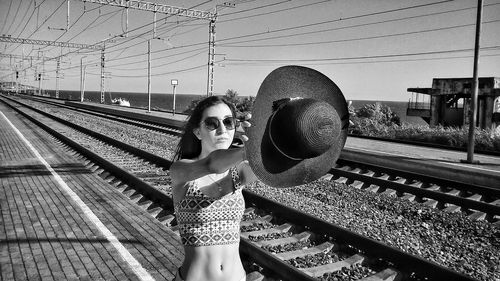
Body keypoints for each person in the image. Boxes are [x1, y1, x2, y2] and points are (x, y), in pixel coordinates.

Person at [170, 95, 257, 281]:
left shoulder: (238, 172)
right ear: (198, 132)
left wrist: (265, 137)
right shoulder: (181, 171)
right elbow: (212, 164)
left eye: (228, 122)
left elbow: (273, 171)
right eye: (211, 123)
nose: (222, 129)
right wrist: (247, 151)